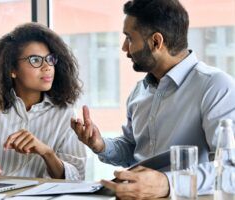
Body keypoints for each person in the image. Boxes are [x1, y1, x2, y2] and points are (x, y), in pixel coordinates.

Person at [71, 0, 235, 198]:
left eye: (129, 38)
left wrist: (167, 183)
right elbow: (133, 149)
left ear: (156, 42)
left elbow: (230, 170)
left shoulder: (216, 86)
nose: (124, 48)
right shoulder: (139, 91)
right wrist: (100, 145)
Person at [0, 23, 86, 180]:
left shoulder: (65, 114)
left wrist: (47, 153)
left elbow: (77, 177)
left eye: (50, 59)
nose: (47, 67)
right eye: (35, 60)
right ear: (12, 69)